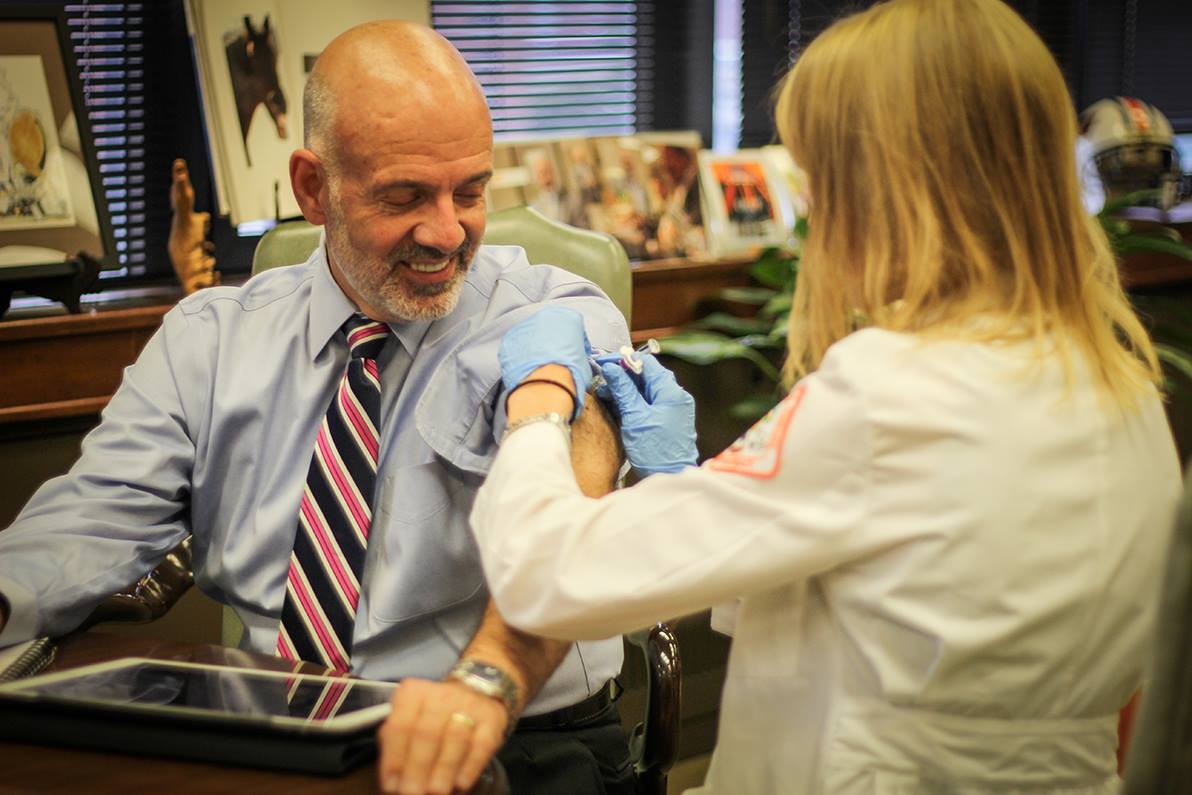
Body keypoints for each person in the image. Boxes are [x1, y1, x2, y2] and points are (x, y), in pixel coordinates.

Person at [469, 1, 1183, 793]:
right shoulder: (1121, 385)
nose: (814, 216)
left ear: (887, 190)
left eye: (821, 181)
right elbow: (895, 579)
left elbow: (541, 571)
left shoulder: (890, 393)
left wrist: (538, 398)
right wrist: (683, 489)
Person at [0, 21, 635, 795]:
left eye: (470, 191)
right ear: (313, 188)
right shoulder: (209, 342)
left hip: (513, 738)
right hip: (268, 735)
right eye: (406, 196)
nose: (448, 232)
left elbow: (575, 492)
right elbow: (87, 525)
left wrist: (486, 684)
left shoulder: (555, 312)